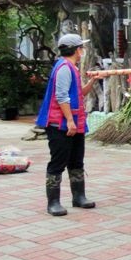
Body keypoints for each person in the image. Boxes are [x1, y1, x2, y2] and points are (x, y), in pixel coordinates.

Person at [36, 33, 97, 217]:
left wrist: (93, 81)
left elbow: (79, 93)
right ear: (77, 50)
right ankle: (53, 202)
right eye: (81, 48)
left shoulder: (72, 67)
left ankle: (79, 196)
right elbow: (62, 97)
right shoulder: (64, 68)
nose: (82, 51)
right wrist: (69, 121)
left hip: (74, 123)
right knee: (58, 162)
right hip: (60, 124)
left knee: (76, 160)